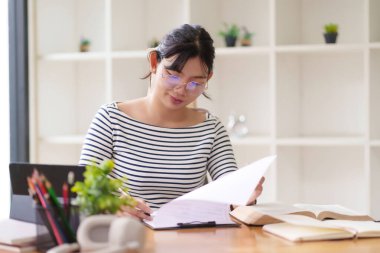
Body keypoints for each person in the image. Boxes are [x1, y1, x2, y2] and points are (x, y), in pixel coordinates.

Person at [79, 24, 265, 221]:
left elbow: (231, 195)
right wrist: (113, 205)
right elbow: (83, 191)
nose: (181, 90)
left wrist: (246, 195)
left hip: (189, 239)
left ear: (208, 78)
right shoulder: (111, 118)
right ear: (153, 62)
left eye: (195, 83)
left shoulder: (210, 129)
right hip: (127, 237)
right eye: (173, 75)